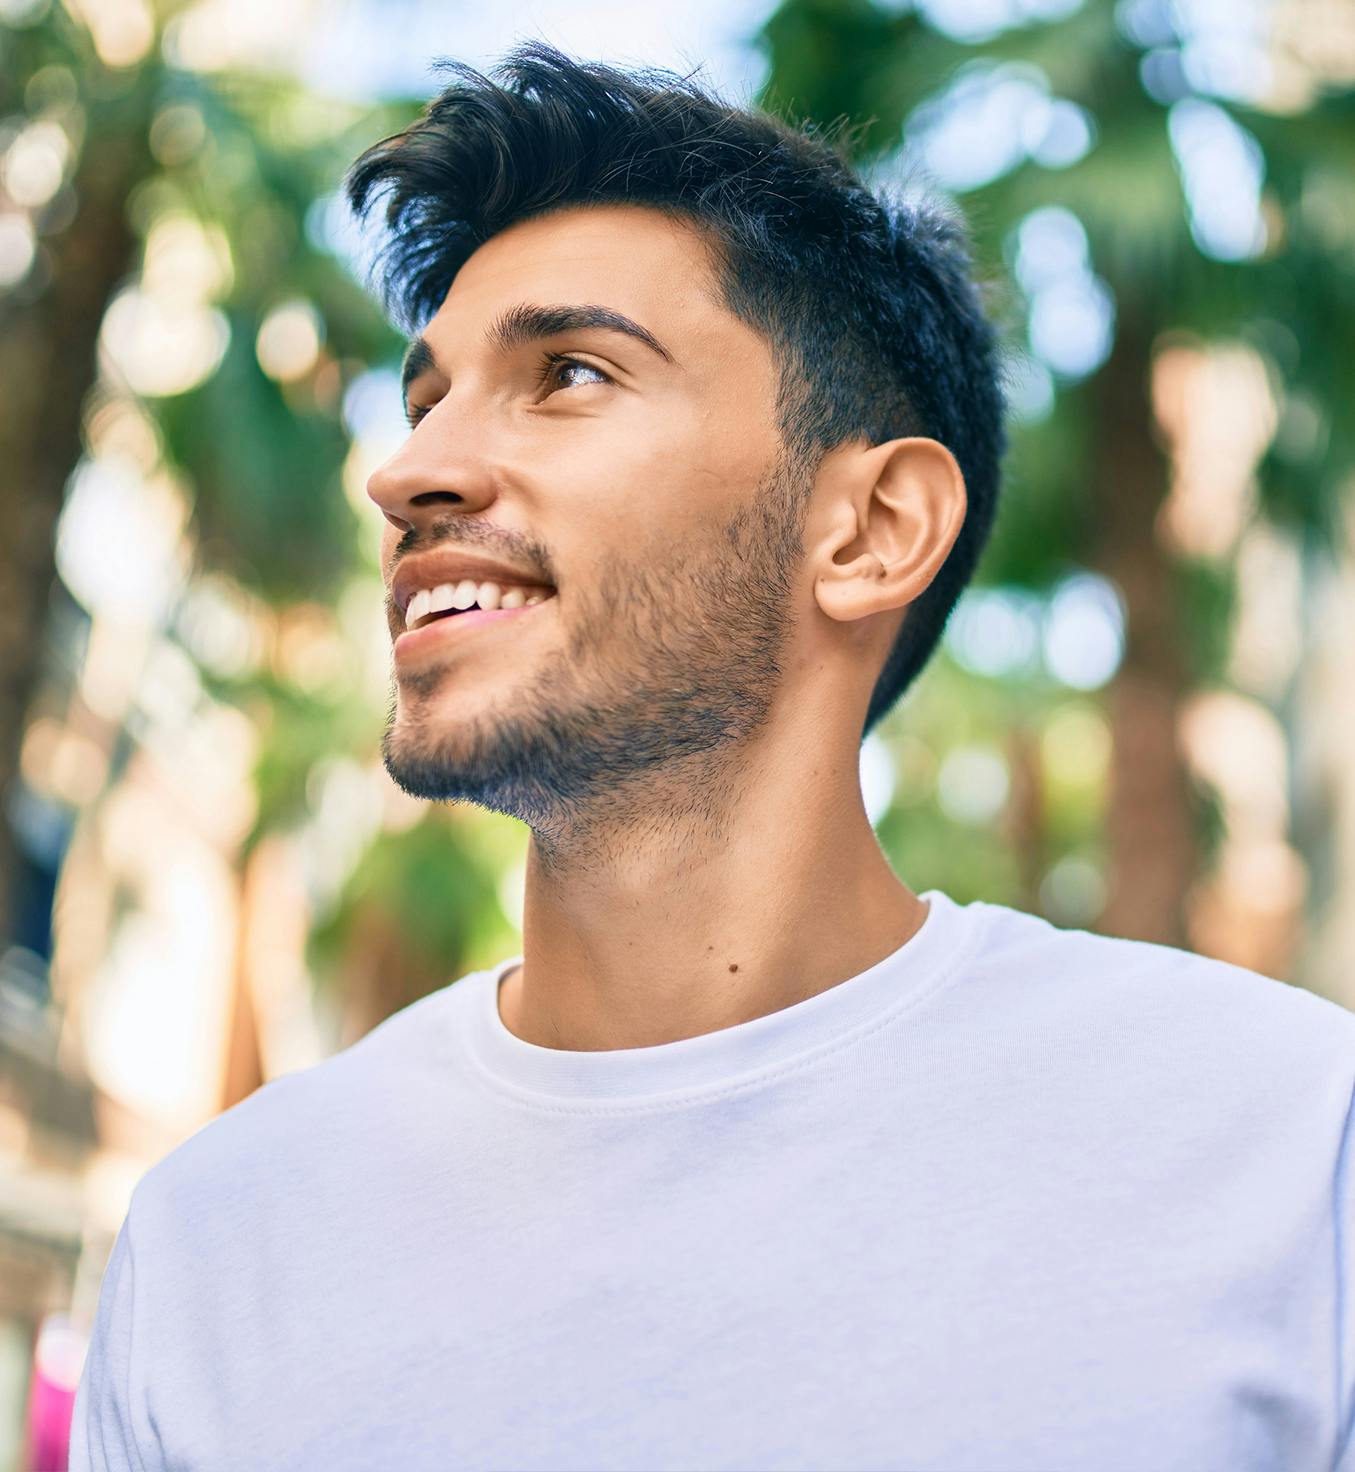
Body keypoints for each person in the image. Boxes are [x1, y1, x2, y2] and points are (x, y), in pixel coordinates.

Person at [70, 42, 1355, 1472]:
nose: (408, 469)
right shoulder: (217, 1248)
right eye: (426, 398)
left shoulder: (1289, 1148)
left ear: (868, 532)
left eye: (566, 374)